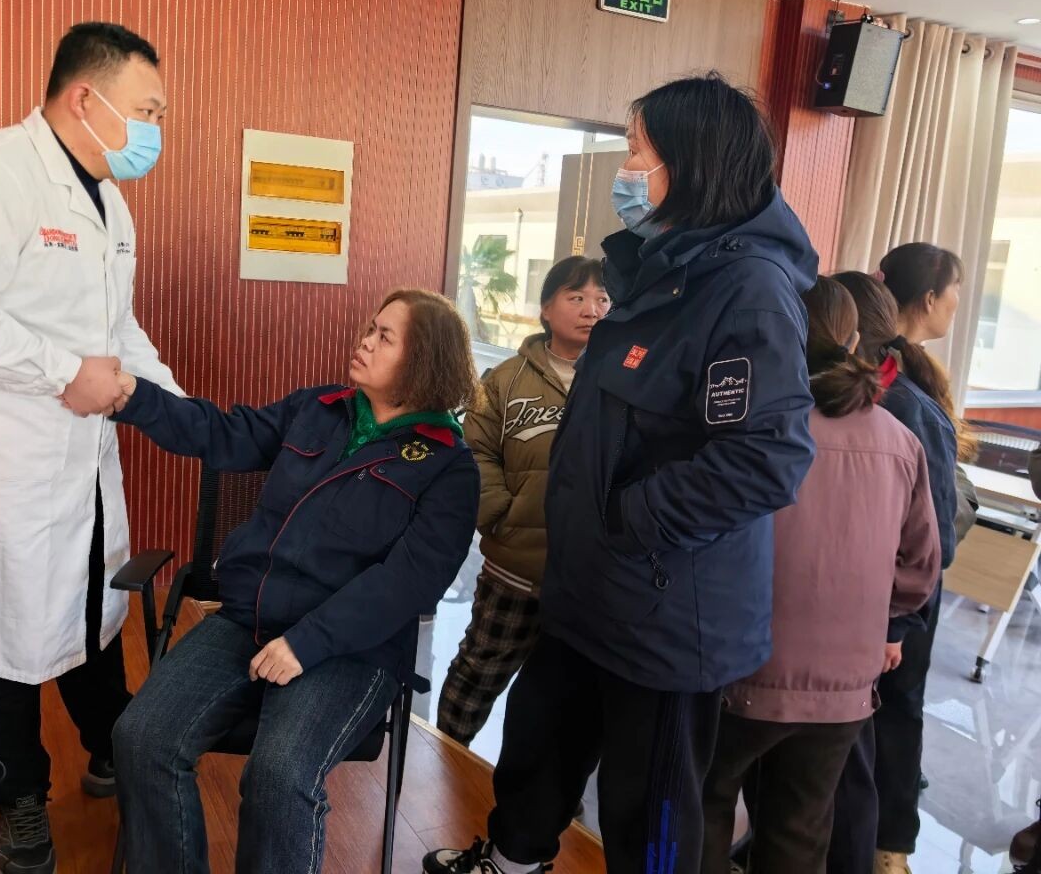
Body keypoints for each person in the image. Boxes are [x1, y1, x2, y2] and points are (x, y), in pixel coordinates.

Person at [425, 72, 818, 874]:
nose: (626, 168)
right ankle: (510, 863)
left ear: (689, 163)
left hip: (666, 613)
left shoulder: (748, 290)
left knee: (650, 811)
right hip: (589, 591)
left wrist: (630, 520)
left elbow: (766, 458)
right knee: (538, 754)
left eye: (638, 150)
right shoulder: (655, 274)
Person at [0, 22, 185, 874]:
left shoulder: (108, 202)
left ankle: (110, 749)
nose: (155, 129)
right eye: (147, 110)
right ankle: (17, 797)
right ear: (85, 98)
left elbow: (117, 330)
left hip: (75, 464)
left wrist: (183, 410)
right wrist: (61, 372)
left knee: (89, 608)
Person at [106, 289, 482, 874]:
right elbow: (223, 433)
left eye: (384, 337)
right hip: (250, 618)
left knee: (280, 774)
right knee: (141, 737)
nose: (364, 341)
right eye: (370, 329)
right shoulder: (319, 408)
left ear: (423, 360)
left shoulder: (447, 466)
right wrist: (133, 395)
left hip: (350, 650)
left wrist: (306, 643)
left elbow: (408, 582)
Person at [700, 277, 941, 874]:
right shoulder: (900, 439)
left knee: (706, 803)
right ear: (854, 341)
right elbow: (922, 566)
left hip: (744, 666)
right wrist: (885, 621)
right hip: (847, 686)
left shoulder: (747, 424)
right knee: (801, 829)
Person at [830, 250, 967, 874]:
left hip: (884, 597)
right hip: (890, 601)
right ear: (929, 299)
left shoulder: (897, 388)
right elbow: (934, 531)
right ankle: (877, 848)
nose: (957, 303)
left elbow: (930, 528)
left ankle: (882, 847)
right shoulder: (897, 392)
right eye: (955, 289)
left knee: (876, 724)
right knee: (882, 723)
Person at [437, 256, 609, 746]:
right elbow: (474, 451)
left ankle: (540, 786)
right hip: (515, 568)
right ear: (546, 308)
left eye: (602, 299)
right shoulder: (506, 379)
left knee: (565, 694)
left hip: (593, 576)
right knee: (477, 673)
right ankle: (444, 764)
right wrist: (501, 515)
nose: (592, 310)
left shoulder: (623, 377)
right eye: (576, 297)